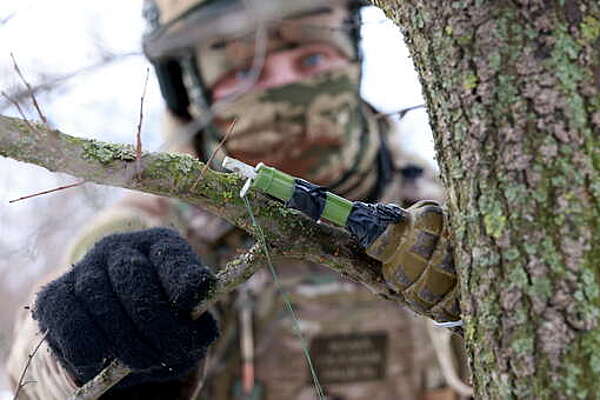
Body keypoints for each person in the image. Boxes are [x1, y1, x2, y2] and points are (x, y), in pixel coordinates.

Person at [6, 0, 466, 399]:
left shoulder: (449, 212)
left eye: (311, 60)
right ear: (188, 91)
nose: (283, 86)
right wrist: (87, 347)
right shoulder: (154, 227)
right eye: (244, 73)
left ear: (355, 56)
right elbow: (34, 371)